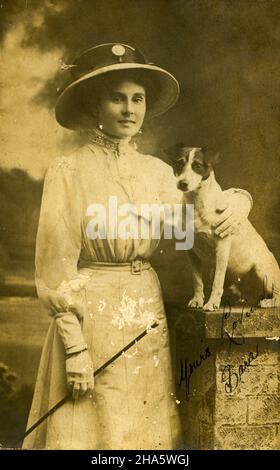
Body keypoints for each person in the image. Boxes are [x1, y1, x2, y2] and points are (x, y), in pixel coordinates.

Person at [22, 43, 253, 450]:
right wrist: (74, 348)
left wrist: (239, 199)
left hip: (147, 314)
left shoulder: (161, 172)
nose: (129, 109)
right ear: (96, 105)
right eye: (117, 98)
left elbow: (193, 232)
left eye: (138, 99)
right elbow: (55, 267)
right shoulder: (68, 171)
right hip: (90, 316)